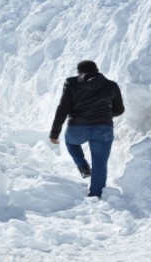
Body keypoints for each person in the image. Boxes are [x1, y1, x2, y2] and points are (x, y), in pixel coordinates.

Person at [49, 60, 125, 198]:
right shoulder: (111, 85)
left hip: (77, 126)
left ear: (79, 72)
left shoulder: (71, 83)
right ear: (97, 70)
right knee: (100, 163)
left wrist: (55, 133)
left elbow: (63, 108)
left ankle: (83, 166)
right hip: (103, 128)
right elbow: (119, 110)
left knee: (71, 143)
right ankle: (96, 195)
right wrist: (105, 114)